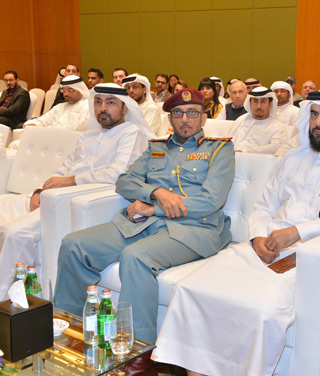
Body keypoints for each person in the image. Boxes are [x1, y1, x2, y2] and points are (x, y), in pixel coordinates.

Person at [152, 87, 320, 376]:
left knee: (260, 309)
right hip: (261, 249)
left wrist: (299, 232)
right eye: (314, 114)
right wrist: (258, 237)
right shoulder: (292, 159)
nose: (318, 122)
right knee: (192, 287)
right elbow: (263, 206)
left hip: (305, 258)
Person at [53, 88, 234, 345]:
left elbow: (210, 201)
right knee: (74, 244)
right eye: (178, 113)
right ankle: (71, 333)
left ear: (203, 118)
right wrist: (156, 192)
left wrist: (153, 208)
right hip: (143, 224)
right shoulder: (156, 148)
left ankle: (136, 353)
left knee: (136, 257)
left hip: (193, 229)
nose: (185, 119)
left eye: (192, 113)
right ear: (170, 119)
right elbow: (124, 182)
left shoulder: (219, 150)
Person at [0, 83, 154, 301]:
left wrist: (70, 182)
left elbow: (118, 174)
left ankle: (4, 301)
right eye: (98, 102)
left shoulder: (131, 133)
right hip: (55, 195)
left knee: (16, 233)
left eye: (110, 103)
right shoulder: (87, 135)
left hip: (73, 202)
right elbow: (63, 168)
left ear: (125, 108)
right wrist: (39, 191)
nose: (103, 108)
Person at [226, 86, 286, 154]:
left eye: (263, 101)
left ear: (270, 103)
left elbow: (275, 147)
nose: (259, 106)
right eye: (255, 101)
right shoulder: (241, 119)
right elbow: (226, 138)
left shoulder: (277, 127)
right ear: (250, 103)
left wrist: (244, 152)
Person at [21, 75, 89, 132]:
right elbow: (44, 119)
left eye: (70, 90)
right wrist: (33, 124)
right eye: (63, 90)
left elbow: (81, 129)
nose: (65, 94)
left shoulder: (87, 106)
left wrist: (50, 131)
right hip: (50, 138)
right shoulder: (60, 106)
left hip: (68, 142)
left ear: (80, 90)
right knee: (14, 144)